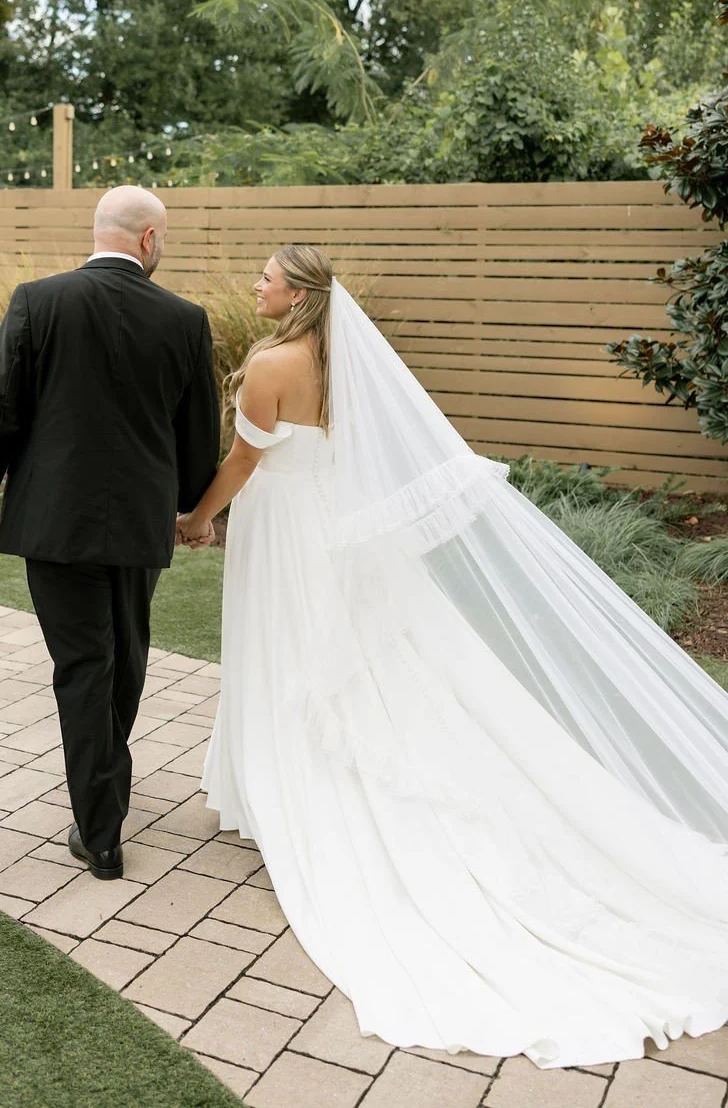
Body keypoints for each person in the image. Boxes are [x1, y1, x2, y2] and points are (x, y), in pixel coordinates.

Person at [175, 243, 728, 1070]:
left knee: (296, 651)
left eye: (266, 275)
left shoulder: (272, 364)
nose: (255, 284)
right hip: (342, 531)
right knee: (368, 658)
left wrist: (196, 518)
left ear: (297, 292)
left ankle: (303, 783)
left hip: (290, 530)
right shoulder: (345, 359)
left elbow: (246, 461)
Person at [0, 185, 221, 881]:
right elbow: (197, 431)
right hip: (138, 524)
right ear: (149, 239)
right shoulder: (185, 319)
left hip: (54, 524)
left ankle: (100, 831)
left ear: (100, 232)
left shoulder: (38, 301)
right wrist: (196, 511)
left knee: (83, 666)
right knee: (123, 657)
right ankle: (104, 809)